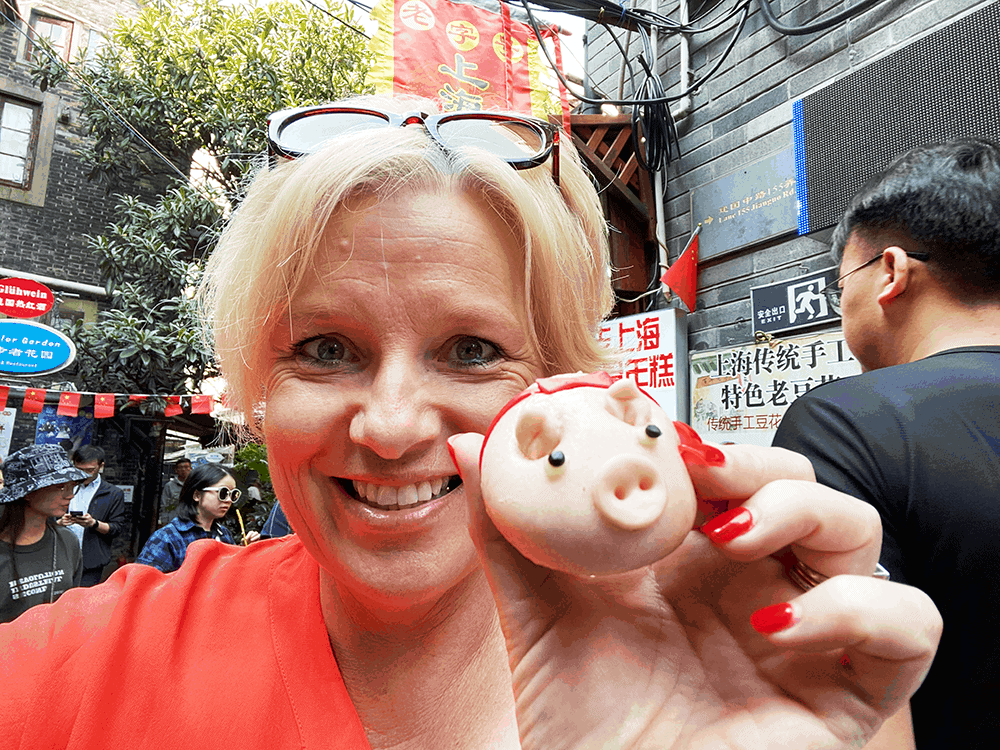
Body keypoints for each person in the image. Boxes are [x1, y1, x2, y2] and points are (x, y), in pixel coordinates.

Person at [0, 96, 940, 749]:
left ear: (570, 383)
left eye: (472, 350)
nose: (394, 425)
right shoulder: (76, 671)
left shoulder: (754, 659)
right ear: (257, 385)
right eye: (326, 349)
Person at [773, 137, 1000, 749]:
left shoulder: (843, 426)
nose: (839, 302)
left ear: (891, 273)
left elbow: (850, 712)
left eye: (840, 279)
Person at [0, 444, 87, 622]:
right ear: (27, 492)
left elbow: (70, 607)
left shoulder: (68, 541)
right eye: (61, 486)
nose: (70, 495)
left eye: (73, 486)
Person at [136, 462, 260, 573]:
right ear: (197, 495)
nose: (228, 500)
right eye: (223, 493)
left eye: (233, 494)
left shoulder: (224, 534)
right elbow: (144, 585)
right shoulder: (168, 537)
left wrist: (242, 551)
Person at [56, 445, 127, 586]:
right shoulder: (61, 487)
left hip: (91, 561)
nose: (84, 475)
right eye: (79, 470)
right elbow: (45, 519)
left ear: (101, 466)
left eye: (90, 470)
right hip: (59, 556)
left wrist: (93, 523)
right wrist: (59, 523)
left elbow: (116, 528)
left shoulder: (113, 493)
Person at [159, 457, 192, 526]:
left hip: (191, 523)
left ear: (191, 469)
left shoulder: (195, 486)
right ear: (176, 470)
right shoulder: (169, 486)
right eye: (180, 467)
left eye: (186, 467)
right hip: (174, 523)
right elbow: (164, 506)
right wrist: (164, 522)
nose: (183, 469)